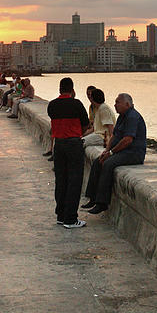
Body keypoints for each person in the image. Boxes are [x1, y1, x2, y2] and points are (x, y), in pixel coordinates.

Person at [82, 93, 146, 215]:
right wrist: (106, 150)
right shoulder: (122, 116)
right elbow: (115, 136)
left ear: (127, 104)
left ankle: (102, 203)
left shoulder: (132, 117)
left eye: (117, 102)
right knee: (97, 161)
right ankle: (92, 198)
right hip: (123, 151)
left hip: (133, 153)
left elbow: (128, 139)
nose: (115, 105)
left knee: (108, 164)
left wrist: (111, 153)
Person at [48, 77, 91, 229]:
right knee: (74, 181)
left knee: (61, 180)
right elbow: (86, 125)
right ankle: (70, 219)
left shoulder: (52, 105)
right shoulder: (77, 104)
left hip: (58, 145)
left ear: (60, 89)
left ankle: (60, 215)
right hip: (73, 144)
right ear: (72, 90)